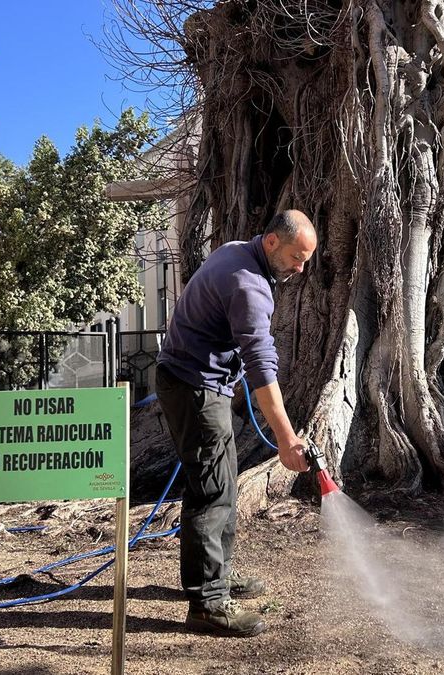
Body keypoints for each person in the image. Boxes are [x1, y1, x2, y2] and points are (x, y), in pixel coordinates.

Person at [155, 210, 317, 638]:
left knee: (219, 482)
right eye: (297, 258)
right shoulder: (249, 285)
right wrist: (286, 440)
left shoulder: (234, 251)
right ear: (271, 243)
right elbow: (262, 365)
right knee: (211, 489)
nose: (300, 269)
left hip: (195, 379)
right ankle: (207, 604)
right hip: (194, 386)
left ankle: (215, 576)